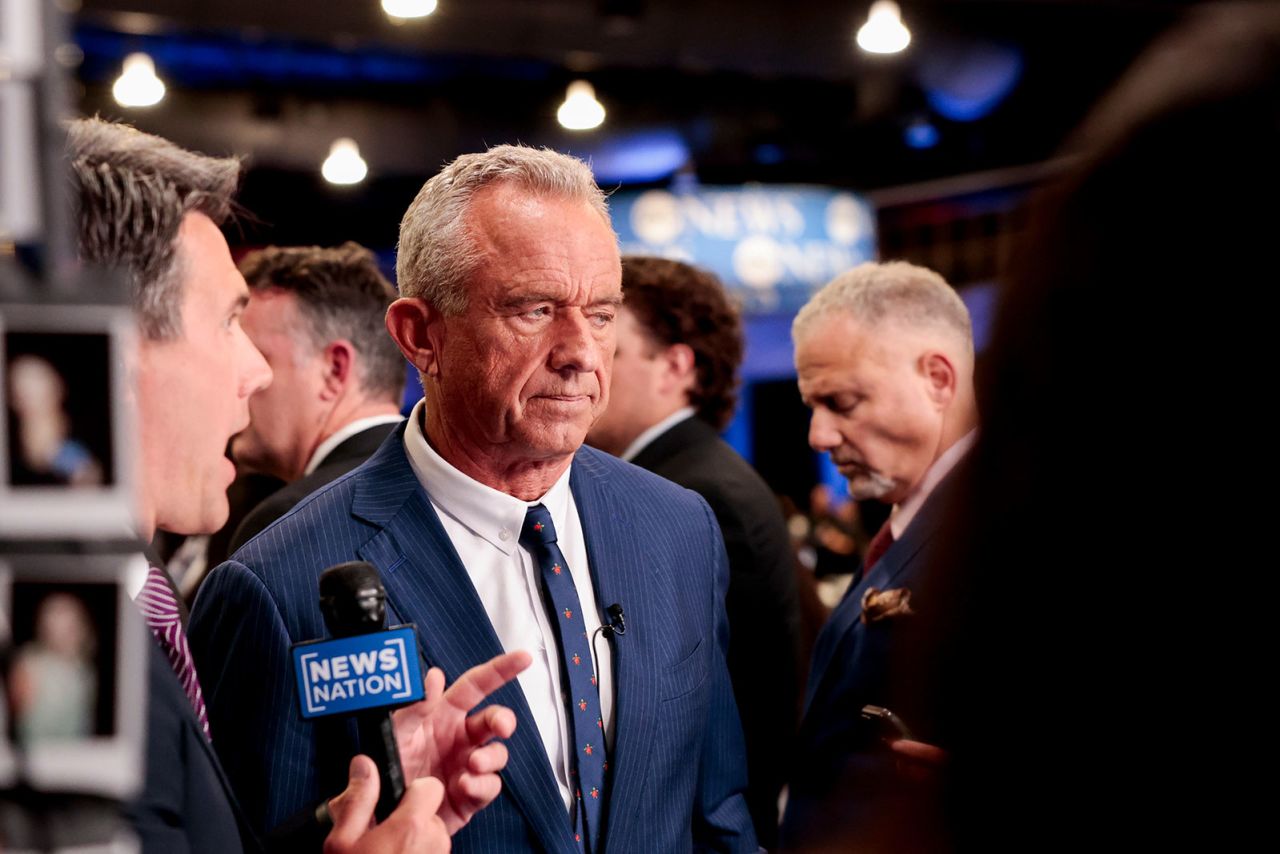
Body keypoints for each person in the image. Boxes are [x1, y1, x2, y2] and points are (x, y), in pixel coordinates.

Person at [190, 144, 757, 852]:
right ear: (420, 336)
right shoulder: (277, 587)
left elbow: (718, 815)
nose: (580, 350)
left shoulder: (677, 529)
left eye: (602, 314)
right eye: (535, 309)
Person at [66, 117, 527, 853]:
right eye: (225, 323)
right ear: (107, 345)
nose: (253, 371)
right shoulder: (52, 634)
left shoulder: (125, 591)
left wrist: (353, 812)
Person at [585, 255, 800, 845]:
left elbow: (714, 717)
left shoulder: (695, 493)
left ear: (676, 366)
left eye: (611, 343)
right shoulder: (684, 475)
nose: (585, 359)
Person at [779, 260, 977, 849]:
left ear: (938, 378)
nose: (819, 436)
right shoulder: (911, 521)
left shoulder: (1006, 526)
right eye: (814, 407)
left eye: (842, 402)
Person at [227, 242, 405, 553]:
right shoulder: (450, 497)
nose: (236, 381)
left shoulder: (289, 523)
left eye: (255, 356)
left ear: (334, 371)